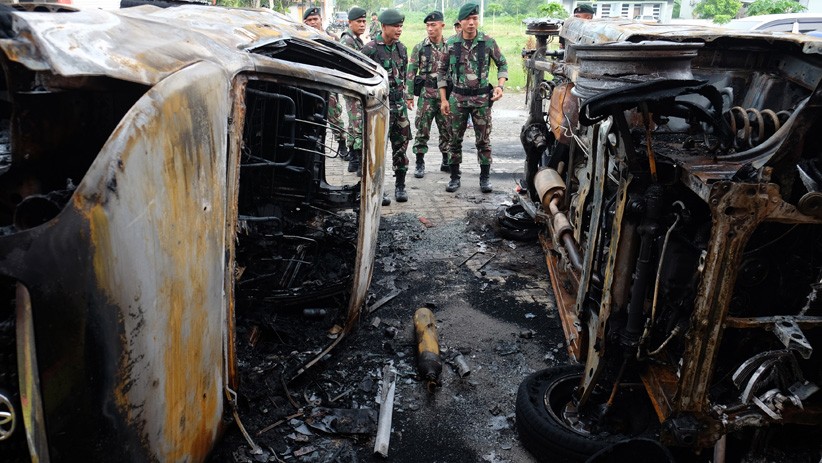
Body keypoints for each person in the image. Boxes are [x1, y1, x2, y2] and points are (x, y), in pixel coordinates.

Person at [438, 2, 508, 193]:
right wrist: (444, 100)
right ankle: (454, 177)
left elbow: (502, 64)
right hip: (457, 99)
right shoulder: (451, 44)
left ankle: (485, 178)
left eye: (474, 18)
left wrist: (500, 86)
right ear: (460, 22)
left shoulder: (488, 42)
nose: (471, 23)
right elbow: (441, 72)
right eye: (467, 19)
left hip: (481, 100)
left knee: (483, 140)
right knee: (454, 139)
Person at [362, 9, 411, 204]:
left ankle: (400, 186)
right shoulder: (370, 49)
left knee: (401, 147)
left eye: (401, 26)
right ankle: (378, 189)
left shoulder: (402, 49)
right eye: (395, 26)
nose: (399, 29)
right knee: (378, 149)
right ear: (383, 27)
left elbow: (404, 77)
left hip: (399, 107)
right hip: (380, 106)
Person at [405, 10, 452, 178]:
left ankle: (446, 160)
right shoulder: (420, 47)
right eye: (428, 26)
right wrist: (409, 95)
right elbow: (411, 72)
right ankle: (419, 162)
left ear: (442, 25)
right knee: (422, 130)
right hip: (426, 95)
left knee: (447, 129)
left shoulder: (450, 46)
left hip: (444, 96)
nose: (430, 29)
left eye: (433, 25)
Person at [304, 7, 348, 160]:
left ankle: (342, 145)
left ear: (321, 19)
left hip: (328, 84)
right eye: (309, 20)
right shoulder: (301, 38)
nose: (312, 22)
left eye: (315, 19)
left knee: (334, 116)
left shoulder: (332, 38)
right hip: (309, 84)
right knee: (309, 117)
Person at [339, 7, 368, 176]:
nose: (362, 24)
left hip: (356, 88)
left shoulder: (355, 40)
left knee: (354, 123)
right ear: (350, 23)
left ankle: (353, 160)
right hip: (353, 88)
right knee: (357, 124)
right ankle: (356, 159)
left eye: (364, 21)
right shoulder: (348, 41)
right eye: (359, 21)